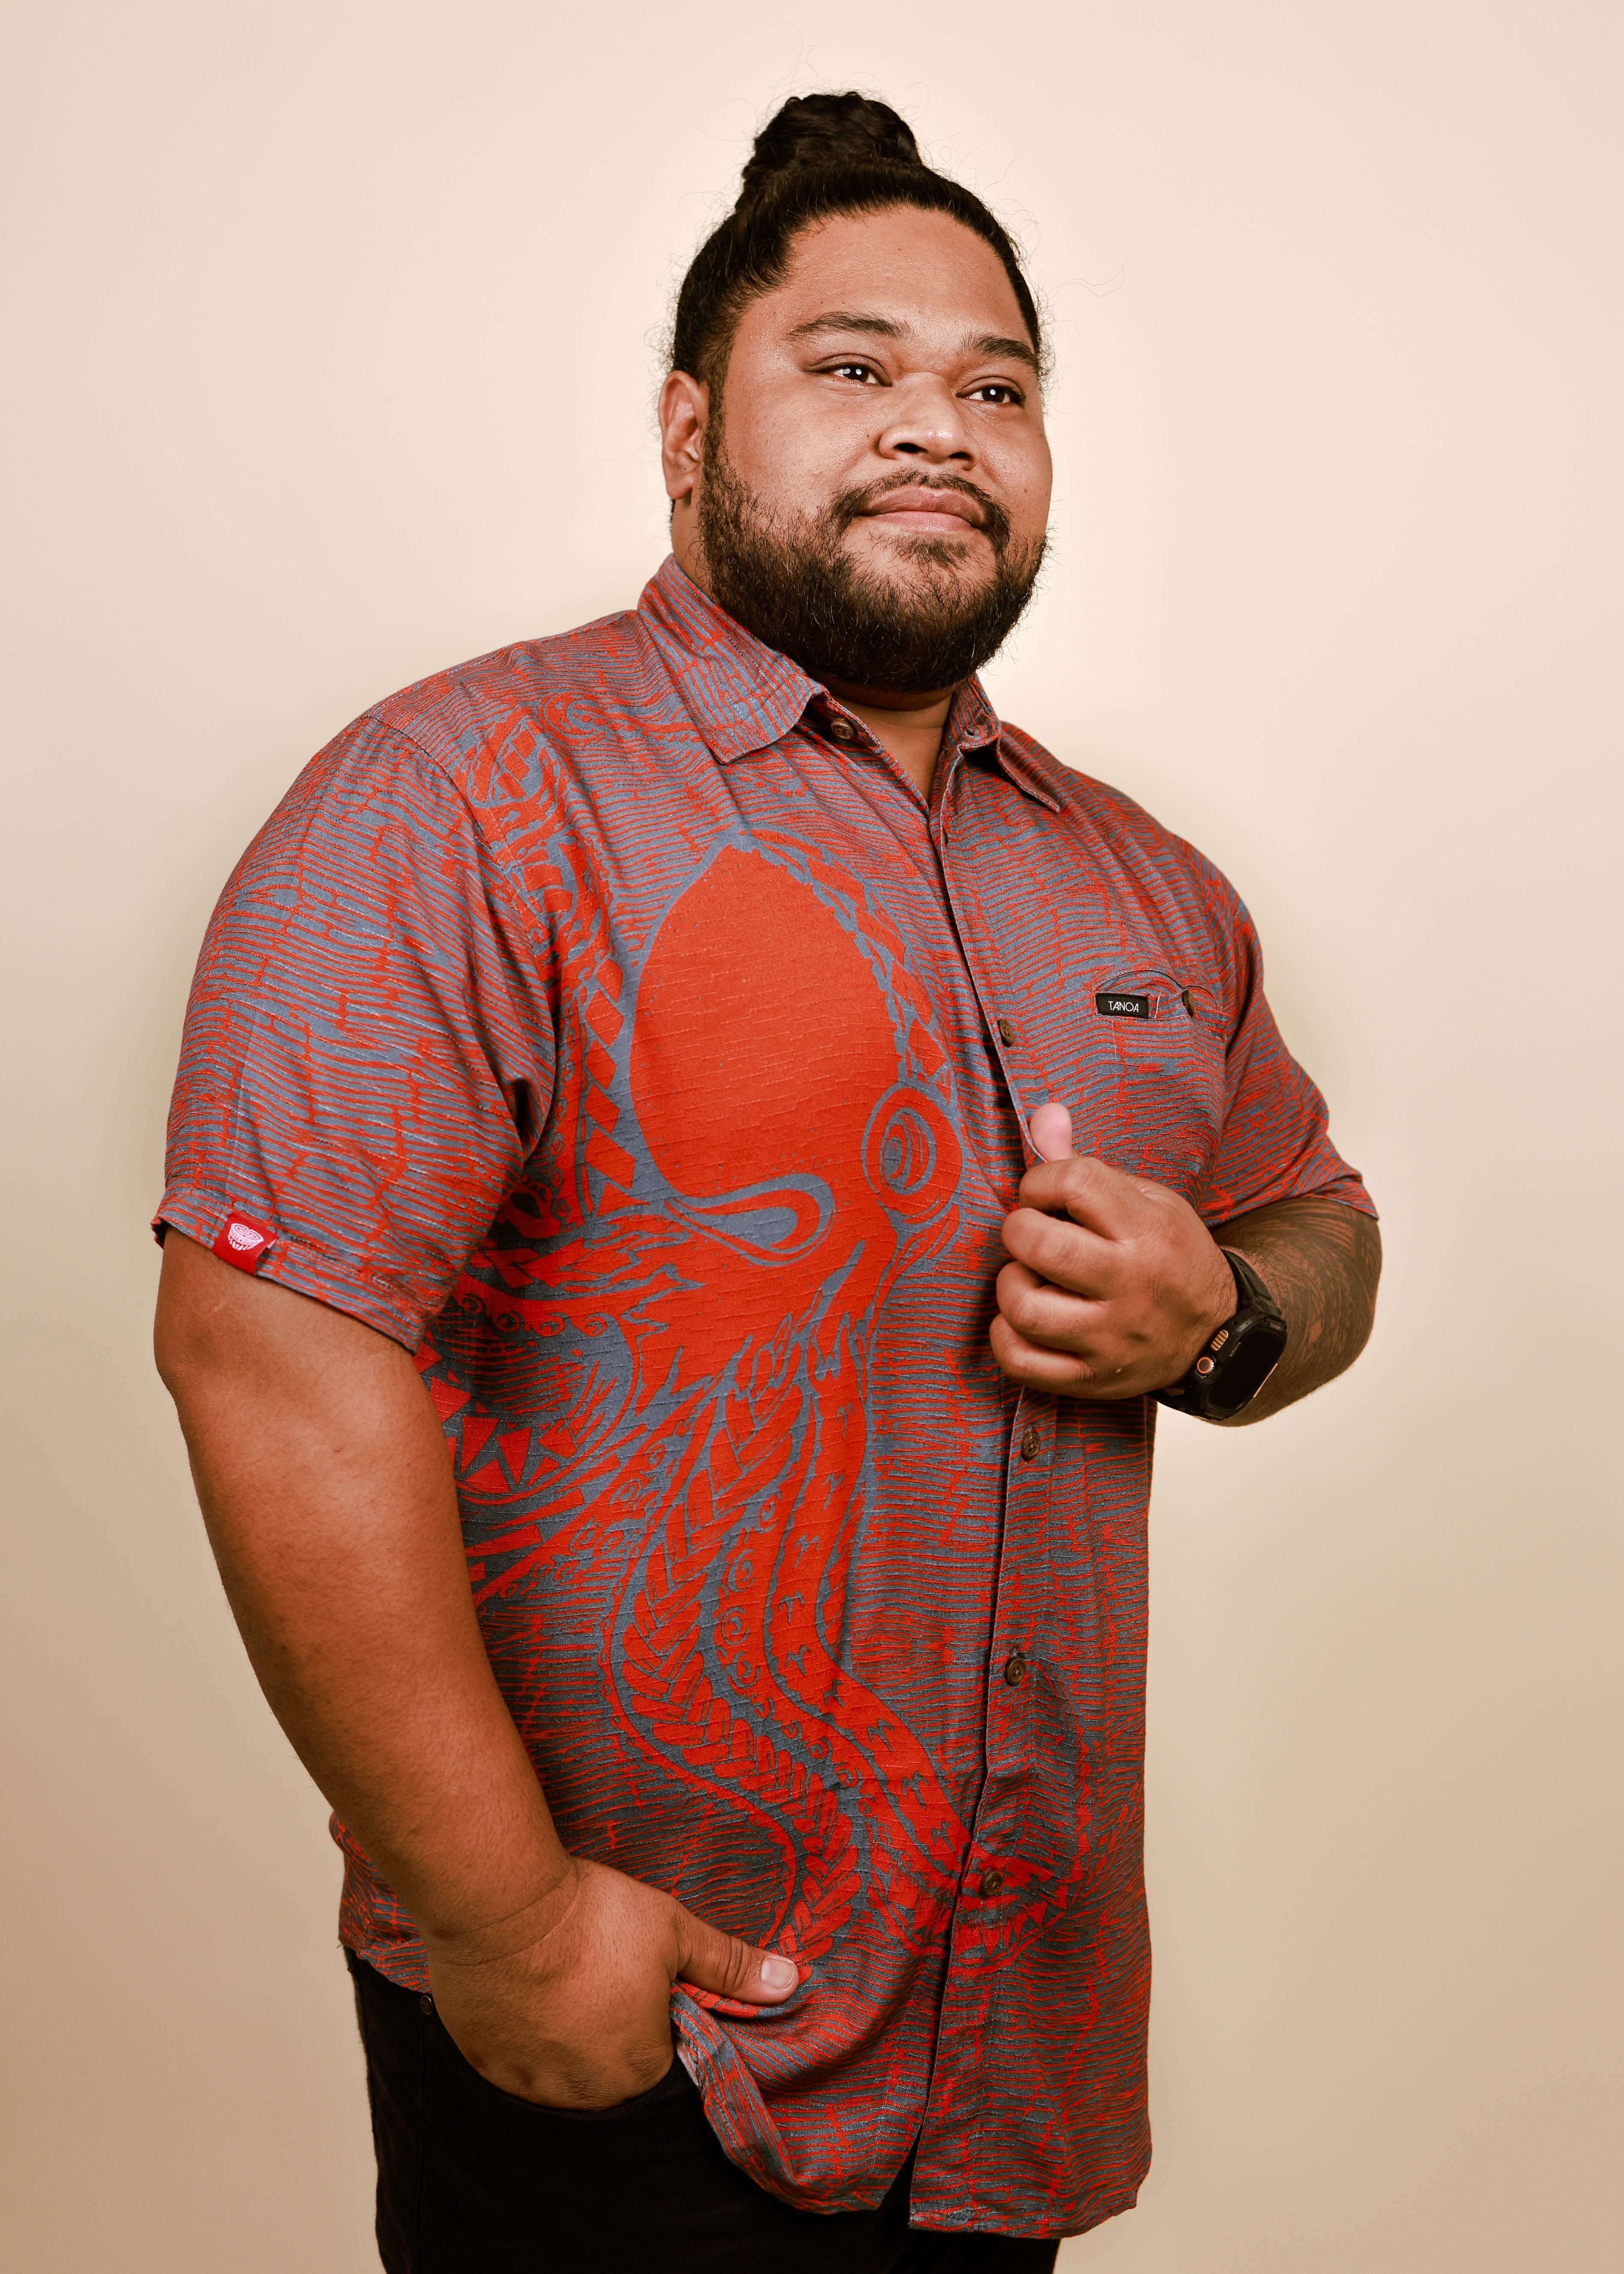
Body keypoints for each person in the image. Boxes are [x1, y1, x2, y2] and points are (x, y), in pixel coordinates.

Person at [153, 90, 1380, 2273]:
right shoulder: (460, 797)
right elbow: (266, 1345)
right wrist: (513, 1927)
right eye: (853, 366)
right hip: (630, 2031)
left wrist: (1226, 1312)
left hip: (1008, 2050)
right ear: (686, 428)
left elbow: (1321, 1221)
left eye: (995, 388)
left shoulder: (1145, 883)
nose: (935, 427)